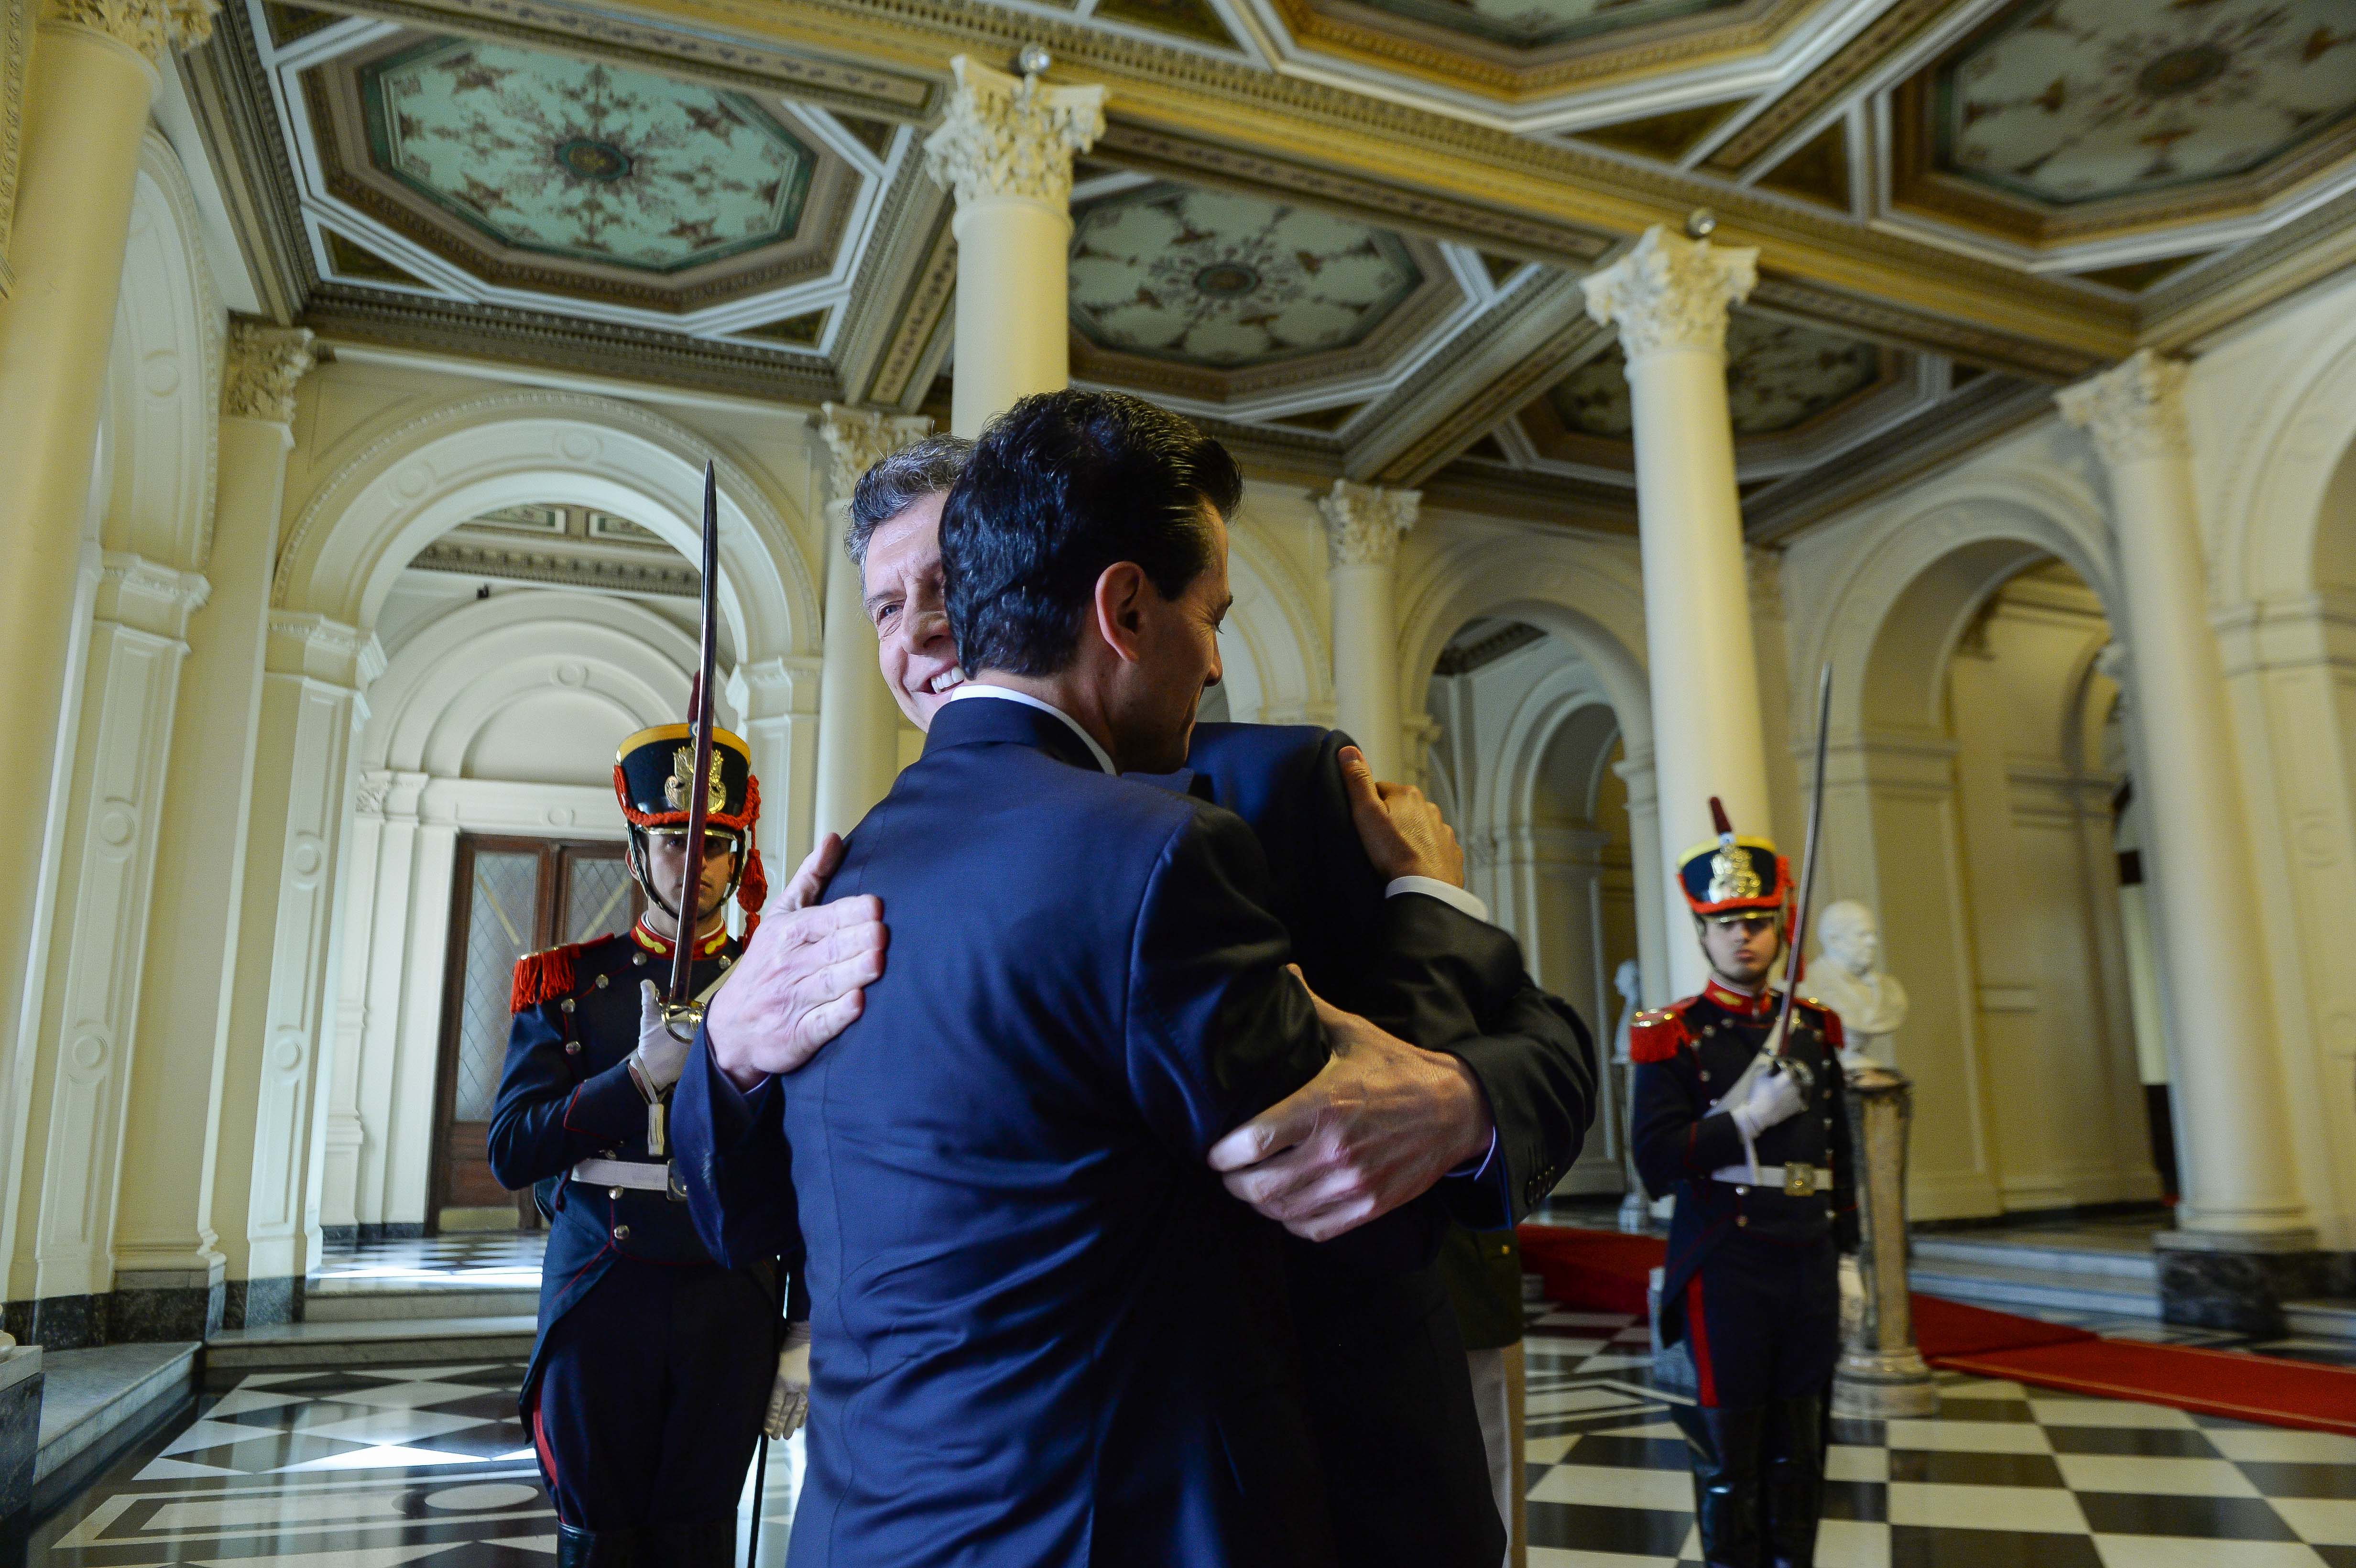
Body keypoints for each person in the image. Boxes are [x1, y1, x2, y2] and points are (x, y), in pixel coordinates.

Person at [685, 430, 1596, 1568]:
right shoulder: (840, 877)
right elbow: (751, 1217)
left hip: (1332, 1477)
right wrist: (725, 1046)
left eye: (948, 580)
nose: (920, 630)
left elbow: (1434, 1082)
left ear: (1036, 568)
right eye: (883, 605)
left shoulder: (1277, 791)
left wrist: (1450, 1015)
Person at [488, 725, 783, 1568]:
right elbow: (513, 1149)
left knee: (698, 1536)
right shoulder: (569, 985)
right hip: (601, 1289)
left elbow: (806, 1160)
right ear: (635, 849)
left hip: (730, 1296)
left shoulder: (772, 980)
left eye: (718, 846)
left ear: (739, 856)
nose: (696, 864)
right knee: (602, 1534)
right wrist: (634, 1083)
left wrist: (804, 1322)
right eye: (673, 841)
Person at [1630, 804, 1856, 1568]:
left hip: (1809, 1259)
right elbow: (1657, 1163)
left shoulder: (1814, 1028)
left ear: (1780, 926)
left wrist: (1849, 1254)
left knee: (1803, 1454)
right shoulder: (1672, 1032)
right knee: (1732, 1460)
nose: (1744, 935)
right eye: (1727, 922)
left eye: (1758, 919)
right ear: (1702, 931)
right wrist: (1748, 1121)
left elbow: (1841, 1156)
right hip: (1727, 1265)